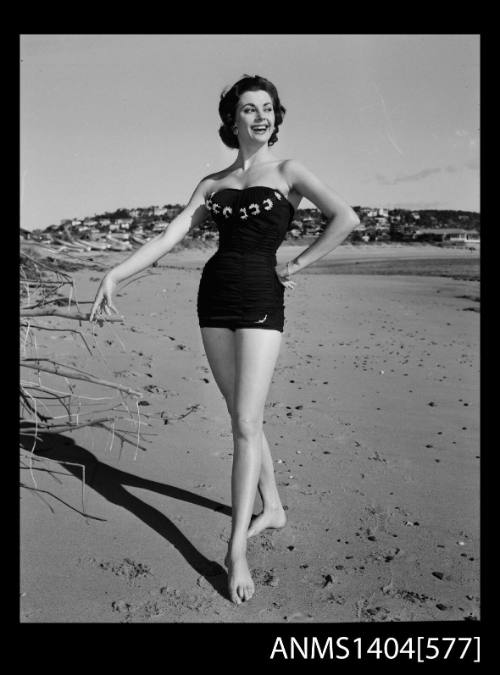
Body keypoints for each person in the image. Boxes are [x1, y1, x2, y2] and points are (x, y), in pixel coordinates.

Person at [89, 74, 360, 605]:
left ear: (275, 118)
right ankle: (273, 506)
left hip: (262, 297)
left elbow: (344, 218)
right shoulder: (211, 183)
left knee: (244, 422)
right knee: (241, 411)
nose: (260, 116)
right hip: (213, 299)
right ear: (231, 120)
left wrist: (298, 263)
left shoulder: (289, 171)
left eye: (267, 108)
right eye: (248, 109)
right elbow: (170, 235)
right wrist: (115, 274)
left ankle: (235, 548)